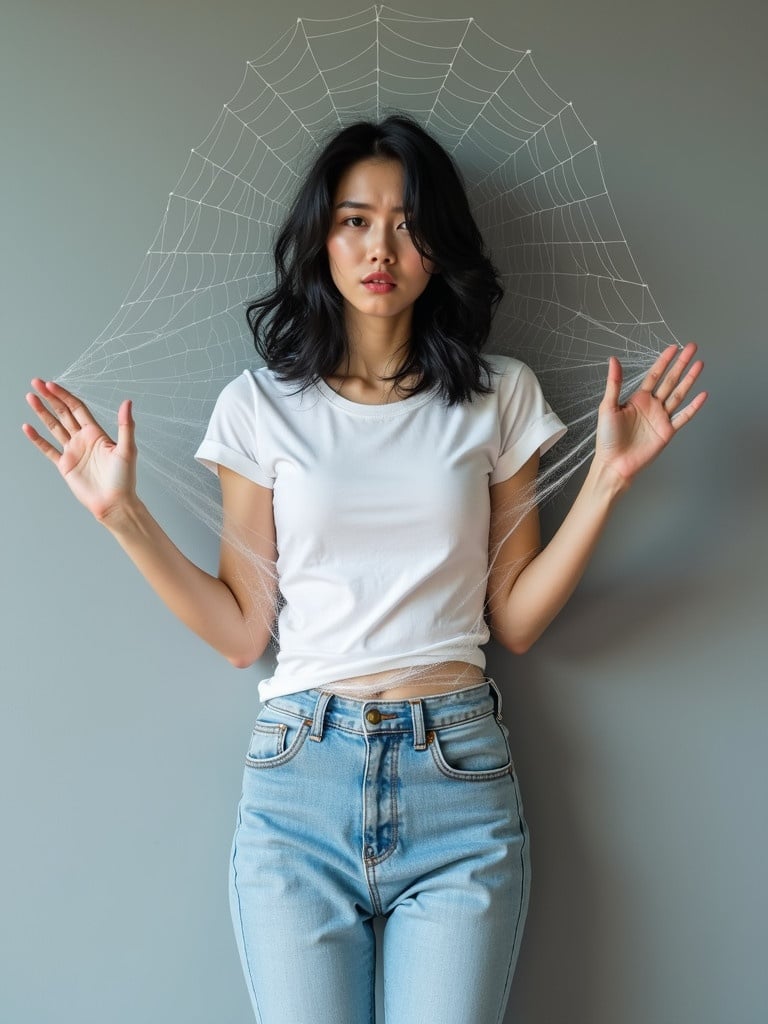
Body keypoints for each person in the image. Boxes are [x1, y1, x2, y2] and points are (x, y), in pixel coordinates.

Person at [22, 113, 706, 1023]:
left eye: (406, 221)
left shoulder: (501, 395)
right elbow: (240, 632)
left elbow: (518, 619)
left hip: (456, 776)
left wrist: (609, 482)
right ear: (322, 238)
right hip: (300, 780)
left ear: (439, 245)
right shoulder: (260, 406)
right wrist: (122, 515)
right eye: (354, 219)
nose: (380, 245)